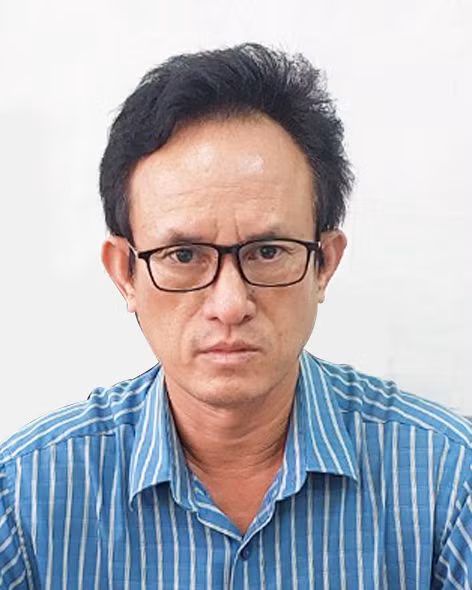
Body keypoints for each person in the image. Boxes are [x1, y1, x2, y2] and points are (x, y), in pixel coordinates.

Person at [1, 43, 471, 590]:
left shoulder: (448, 483)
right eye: (183, 255)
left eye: (268, 252)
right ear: (125, 273)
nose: (229, 305)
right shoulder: (23, 500)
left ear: (325, 264)